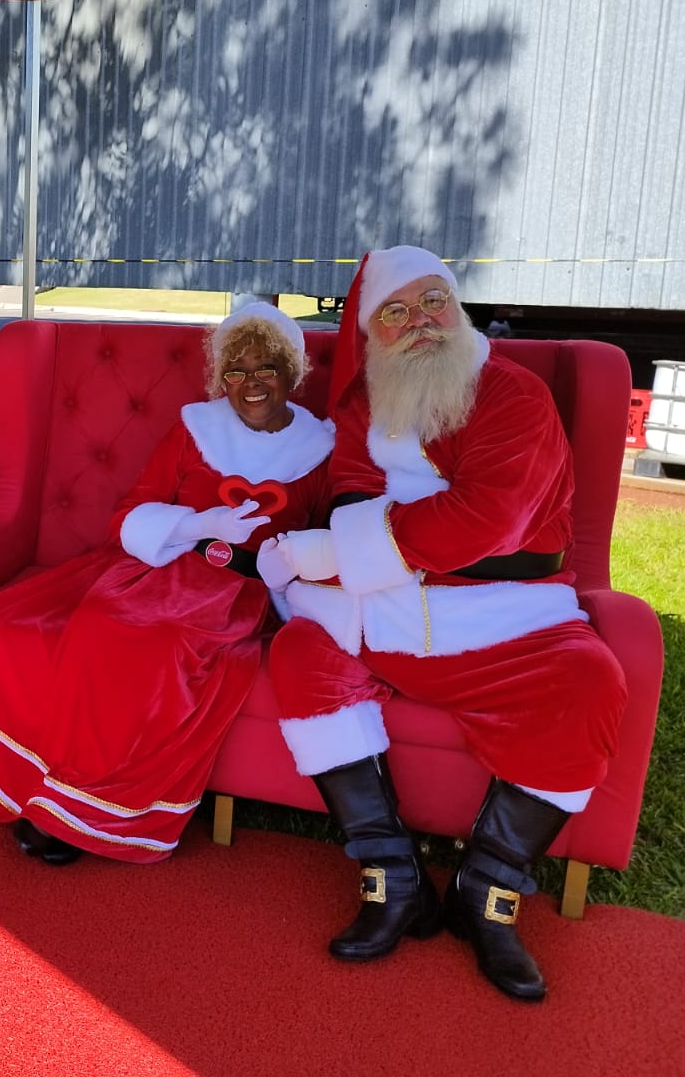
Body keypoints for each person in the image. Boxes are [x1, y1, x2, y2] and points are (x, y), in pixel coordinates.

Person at [258, 244, 627, 1002]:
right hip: (384, 621)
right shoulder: (364, 406)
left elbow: (490, 516)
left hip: (510, 622)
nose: (420, 322)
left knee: (589, 680)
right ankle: (391, 876)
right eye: (396, 311)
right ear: (372, 332)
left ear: (457, 309)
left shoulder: (513, 394)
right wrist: (380, 543)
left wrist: (368, 546)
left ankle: (487, 892)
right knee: (301, 652)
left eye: (434, 302)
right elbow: (346, 504)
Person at [0, 303, 333, 865]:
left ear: (290, 372)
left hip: (238, 593)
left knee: (164, 652)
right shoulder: (195, 428)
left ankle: (84, 810)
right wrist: (200, 524)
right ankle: (54, 792)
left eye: (265, 369)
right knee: (99, 625)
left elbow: (330, 539)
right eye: (236, 370)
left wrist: (287, 564)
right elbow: (134, 511)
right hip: (160, 565)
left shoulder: (321, 450)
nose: (250, 383)